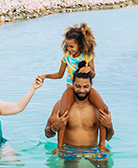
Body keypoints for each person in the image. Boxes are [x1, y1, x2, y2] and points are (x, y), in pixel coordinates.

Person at [40, 22, 109, 151]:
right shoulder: (66, 57)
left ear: (80, 45)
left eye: (72, 46)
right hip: (70, 88)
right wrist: (46, 75)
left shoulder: (88, 56)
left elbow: (93, 74)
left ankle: (102, 145)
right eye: (67, 46)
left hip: (85, 84)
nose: (69, 49)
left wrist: (89, 69)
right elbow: (60, 74)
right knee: (63, 113)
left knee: (104, 109)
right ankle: (60, 146)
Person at [44, 64, 114, 160]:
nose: (82, 90)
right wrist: (54, 127)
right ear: (72, 84)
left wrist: (109, 126)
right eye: (78, 86)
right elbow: (47, 134)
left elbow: (109, 137)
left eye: (86, 86)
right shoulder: (60, 105)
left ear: (91, 85)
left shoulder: (97, 108)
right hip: (69, 150)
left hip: (93, 150)